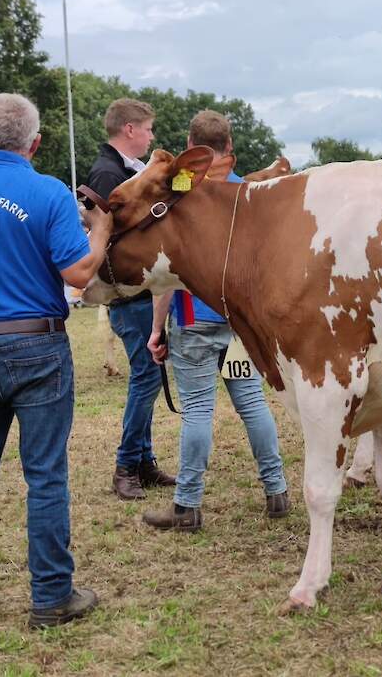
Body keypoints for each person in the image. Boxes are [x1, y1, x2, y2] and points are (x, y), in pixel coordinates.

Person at [142, 110, 289, 531]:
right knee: (253, 404)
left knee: (197, 411)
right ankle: (276, 490)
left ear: (193, 150)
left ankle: (187, 506)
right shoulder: (249, 193)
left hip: (192, 318)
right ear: (231, 148)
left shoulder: (185, 194)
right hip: (240, 321)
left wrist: (156, 329)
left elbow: (169, 270)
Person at [0, 93, 112, 626]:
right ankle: (50, 598)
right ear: (35, 144)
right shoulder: (47, 193)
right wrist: (102, 230)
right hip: (36, 342)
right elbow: (78, 276)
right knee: (44, 476)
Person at [86, 98, 176, 500]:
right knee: (145, 375)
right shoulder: (108, 175)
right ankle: (126, 465)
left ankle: (143, 460)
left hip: (139, 292)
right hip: (128, 294)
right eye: (148, 128)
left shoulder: (122, 171)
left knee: (149, 375)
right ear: (129, 130)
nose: (152, 135)